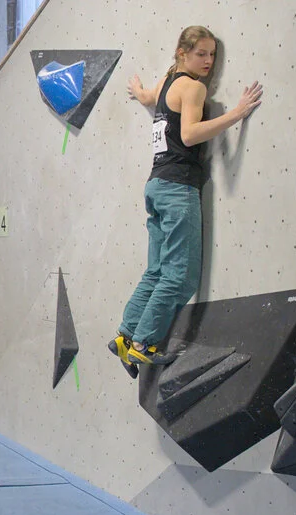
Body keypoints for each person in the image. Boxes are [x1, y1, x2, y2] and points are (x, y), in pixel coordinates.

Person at [115, 26, 262, 368]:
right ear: (182, 53)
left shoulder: (169, 82)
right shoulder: (193, 87)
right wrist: (236, 114)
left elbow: (151, 99)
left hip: (156, 186)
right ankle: (144, 343)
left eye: (213, 54)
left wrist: (138, 91)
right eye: (201, 54)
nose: (209, 61)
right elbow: (190, 133)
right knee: (180, 277)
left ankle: (125, 334)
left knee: (156, 271)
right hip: (179, 187)